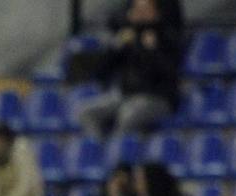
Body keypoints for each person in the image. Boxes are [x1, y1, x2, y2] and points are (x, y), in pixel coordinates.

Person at [75, 0, 182, 136]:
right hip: (126, 95)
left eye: (145, 10)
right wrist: (116, 47)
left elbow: (169, 72)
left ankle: (119, 152)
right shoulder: (127, 37)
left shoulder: (166, 37)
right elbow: (101, 71)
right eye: (137, 10)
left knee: (128, 114)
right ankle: (98, 149)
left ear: (156, 13)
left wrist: (151, 50)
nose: (140, 14)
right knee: (86, 112)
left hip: (157, 97)